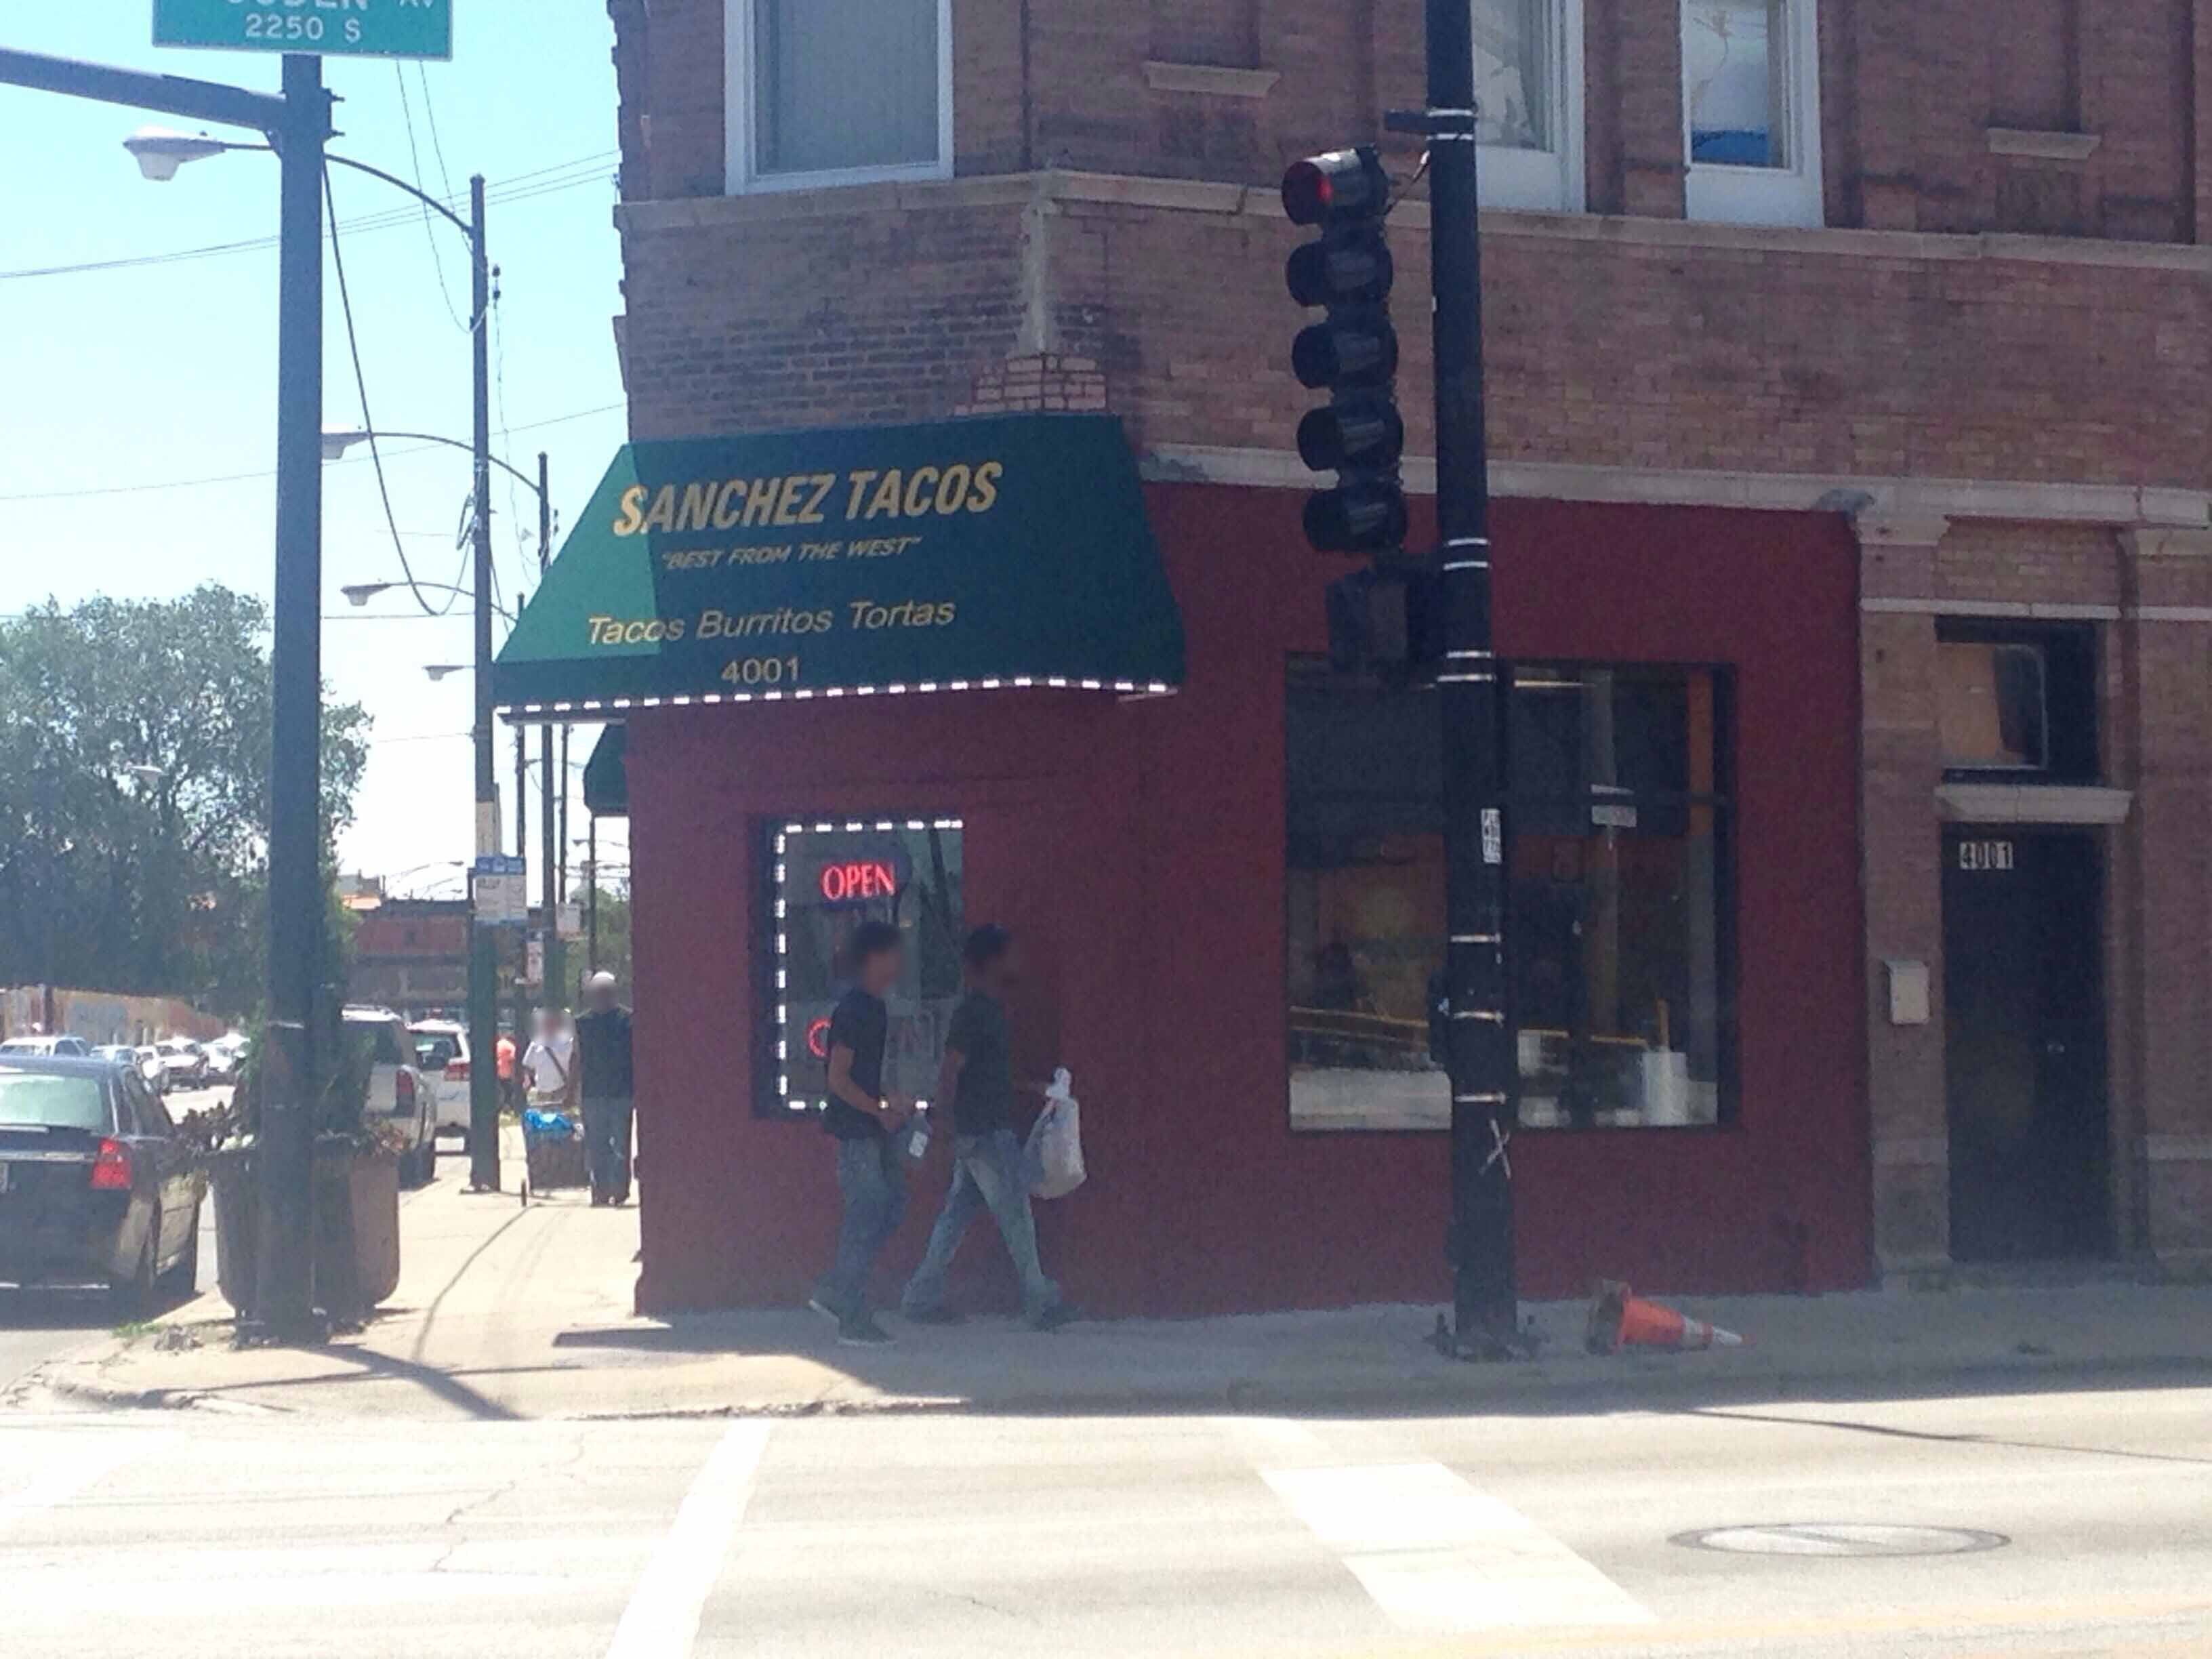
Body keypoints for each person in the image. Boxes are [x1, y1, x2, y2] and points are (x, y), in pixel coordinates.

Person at [901, 925, 1077, 1331]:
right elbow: (951, 1069)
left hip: (976, 1130)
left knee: (956, 1215)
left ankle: (919, 1296)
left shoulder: (987, 1012)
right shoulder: (975, 1012)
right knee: (1016, 1212)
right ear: (993, 962)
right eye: (1010, 956)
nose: (1017, 963)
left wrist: (1032, 1088)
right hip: (983, 1131)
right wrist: (943, 1120)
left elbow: (984, 1072)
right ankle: (1040, 1302)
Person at [807, 921, 912, 1348]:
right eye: (894, 954)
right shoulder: (852, 1009)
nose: (899, 963)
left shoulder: (877, 1007)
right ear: (873, 958)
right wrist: (878, 1109)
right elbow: (838, 1078)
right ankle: (848, 1309)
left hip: (874, 1128)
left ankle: (837, 1290)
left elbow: (869, 1074)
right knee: (867, 1213)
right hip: (856, 1132)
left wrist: (891, 1098)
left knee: (890, 1206)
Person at [571, 972, 636, 1206]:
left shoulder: (629, 1020)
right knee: (596, 1144)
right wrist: (571, 1090)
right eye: (598, 994)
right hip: (593, 1093)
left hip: (622, 1092)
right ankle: (600, 1189)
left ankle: (619, 1189)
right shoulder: (582, 1023)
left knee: (621, 1144)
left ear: (614, 994)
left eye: (606, 993)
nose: (602, 998)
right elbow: (576, 1057)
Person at [523, 1009, 574, 1107]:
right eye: (545, 1022)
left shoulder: (568, 1043)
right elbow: (527, 1066)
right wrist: (527, 1080)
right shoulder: (536, 1043)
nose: (548, 1024)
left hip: (562, 1090)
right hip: (542, 1092)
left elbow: (574, 1064)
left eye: (551, 1021)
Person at [495, 1030, 519, 1113]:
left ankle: (502, 1108)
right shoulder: (511, 1047)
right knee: (509, 1092)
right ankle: (508, 1107)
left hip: (496, 1071)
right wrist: (514, 1076)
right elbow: (513, 1061)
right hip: (505, 1072)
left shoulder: (499, 1043)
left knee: (501, 1092)